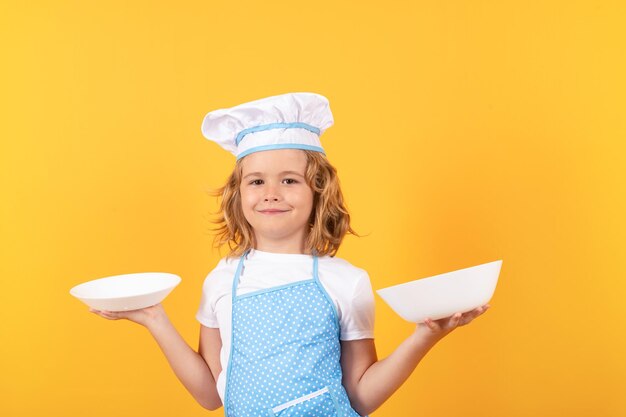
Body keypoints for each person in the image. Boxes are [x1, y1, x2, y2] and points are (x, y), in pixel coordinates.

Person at [90, 92, 490, 416]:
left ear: (319, 191)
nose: (271, 193)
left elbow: (361, 397)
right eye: (257, 181)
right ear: (238, 194)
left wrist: (425, 336)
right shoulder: (222, 279)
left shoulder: (346, 282)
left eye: (289, 180)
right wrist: (153, 318)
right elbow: (211, 395)